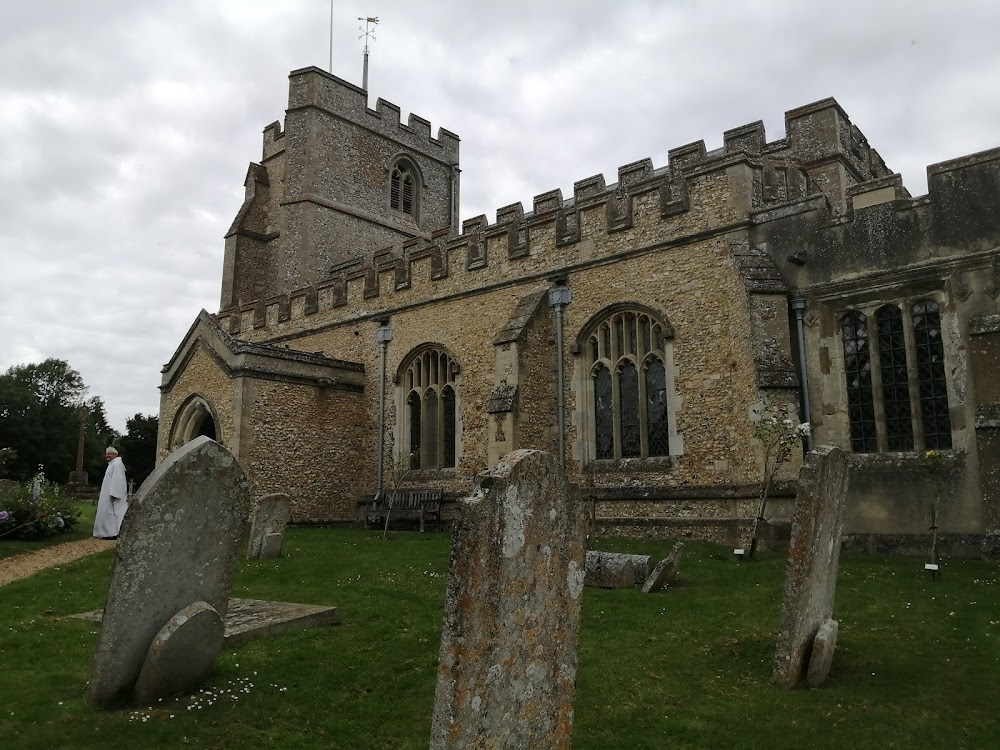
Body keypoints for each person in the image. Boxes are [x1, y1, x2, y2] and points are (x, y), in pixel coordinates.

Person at [94, 446, 129, 540]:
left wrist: (115, 493)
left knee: (112, 513)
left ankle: (112, 533)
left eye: (109, 453)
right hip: (108, 492)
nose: (107, 455)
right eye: (106, 454)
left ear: (115, 454)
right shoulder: (113, 464)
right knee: (107, 512)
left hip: (112, 494)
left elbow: (118, 479)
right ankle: (107, 532)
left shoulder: (117, 464)